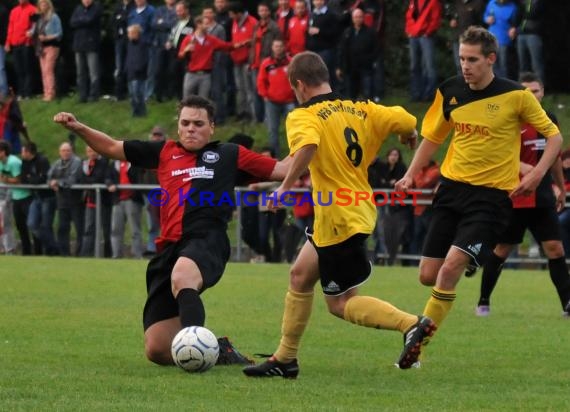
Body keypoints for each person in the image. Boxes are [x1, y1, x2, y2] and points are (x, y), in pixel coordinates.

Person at [53, 95, 291, 366]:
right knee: (158, 349)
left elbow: (283, 169)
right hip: (168, 249)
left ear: (211, 127)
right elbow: (110, 146)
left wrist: (311, 140)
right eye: (186, 122)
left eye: (199, 123)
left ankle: (198, 353)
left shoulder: (229, 154)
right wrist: (78, 127)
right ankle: (218, 349)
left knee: (183, 275)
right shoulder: (164, 151)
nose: (191, 128)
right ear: (178, 126)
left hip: (206, 239)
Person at [242, 51, 435, 378]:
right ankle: (285, 359)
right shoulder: (362, 109)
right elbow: (406, 119)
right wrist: (409, 136)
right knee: (300, 275)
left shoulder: (303, 116)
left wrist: (285, 188)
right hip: (353, 209)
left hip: (338, 218)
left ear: (300, 85)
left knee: (340, 303)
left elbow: (308, 147)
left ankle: (412, 324)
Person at [394, 27, 563, 361]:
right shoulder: (451, 91)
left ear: (491, 59)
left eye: (472, 59)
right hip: (451, 192)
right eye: (461, 58)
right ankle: (474, 257)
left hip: (491, 198)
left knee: (449, 269)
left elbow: (554, 136)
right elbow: (432, 138)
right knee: (428, 275)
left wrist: (539, 174)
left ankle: (417, 345)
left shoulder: (516, 96)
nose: (465, 66)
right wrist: (410, 173)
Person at [472, 72, 570, 317]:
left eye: (535, 90)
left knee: (555, 249)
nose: (531, 95)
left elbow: (555, 157)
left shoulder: (549, 120)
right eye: (526, 90)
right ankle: (483, 301)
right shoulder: (510, 119)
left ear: (543, 92)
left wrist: (560, 187)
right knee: (502, 250)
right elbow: (496, 153)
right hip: (513, 196)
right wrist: (523, 167)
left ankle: (567, 305)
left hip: (543, 197)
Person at [257, 38, 296, 157]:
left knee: (294, 128)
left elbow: (297, 79)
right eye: (276, 46)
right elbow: (261, 81)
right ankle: (275, 158)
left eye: (280, 46)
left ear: (284, 47)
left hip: (289, 101)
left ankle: (295, 155)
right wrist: (264, 95)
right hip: (272, 102)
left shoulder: (291, 62)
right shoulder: (266, 63)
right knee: (272, 130)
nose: (278, 49)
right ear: (272, 48)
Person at [21, 141, 58, 255]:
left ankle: (51, 251)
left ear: (28, 152)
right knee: (32, 224)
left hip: (47, 197)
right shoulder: (25, 162)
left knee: (46, 225)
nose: (21, 154)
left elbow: (42, 179)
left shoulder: (42, 160)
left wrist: (30, 178)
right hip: (36, 197)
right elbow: (23, 179)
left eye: (23, 151)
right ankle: (53, 247)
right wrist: (32, 179)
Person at [48, 142, 84, 256]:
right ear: (60, 152)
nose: (65, 153)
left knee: (80, 228)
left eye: (68, 150)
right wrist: (51, 183)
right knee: (62, 228)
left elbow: (72, 179)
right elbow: (49, 175)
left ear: (71, 151)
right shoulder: (57, 163)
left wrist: (57, 182)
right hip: (62, 200)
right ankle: (64, 254)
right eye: (63, 151)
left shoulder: (77, 162)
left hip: (76, 200)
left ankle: (80, 254)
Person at [405, 0, 442, 102]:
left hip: (426, 37)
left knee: (429, 66)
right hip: (414, 36)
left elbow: (435, 19)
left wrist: (428, 32)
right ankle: (416, 94)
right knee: (415, 66)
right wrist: (409, 31)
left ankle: (428, 95)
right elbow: (409, 16)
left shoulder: (433, 2)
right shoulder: (414, 1)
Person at [69, 0, 103, 103]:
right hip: (79, 44)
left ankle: (94, 95)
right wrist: (82, 20)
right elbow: (72, 22)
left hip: (91, 44)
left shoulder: (96, 8)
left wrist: (80, 20)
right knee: (80, 73)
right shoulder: (78, 8)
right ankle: (82, 96)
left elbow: (90, 20)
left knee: (93, 73)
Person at [4, 0, 37, 100]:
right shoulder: (14, 11)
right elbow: (10, 28)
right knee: (18, 69)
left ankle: (28, 93)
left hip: (27, 43)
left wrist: (30, 38)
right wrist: (8, 42)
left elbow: (35, 27)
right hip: (15, 43)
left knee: (27, 69)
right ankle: (20, 92)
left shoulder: (33, 10)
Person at [34, 0, 63, 102]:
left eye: (45, 4)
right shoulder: (40, 18)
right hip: (41, 48)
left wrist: (47, 38)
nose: (43, 6)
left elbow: (59, 33)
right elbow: (35, 30)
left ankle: (51, 93)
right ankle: (46, 93)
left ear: (48, 5)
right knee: (43, 71)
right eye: (41, 4)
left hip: (52, 46)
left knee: (48, 70)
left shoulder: (54, 17)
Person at [125, 24, 148, 117]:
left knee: (138, 94)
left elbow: (144, 58)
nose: (128, 35)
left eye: (130, 33)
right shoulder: (129, 44)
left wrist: (139, 68)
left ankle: (142, 112)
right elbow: (128, 57)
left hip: (139, 74)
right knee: (132, 94)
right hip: (130, 72)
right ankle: (135, 112)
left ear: (135, 33)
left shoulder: (142, 44)